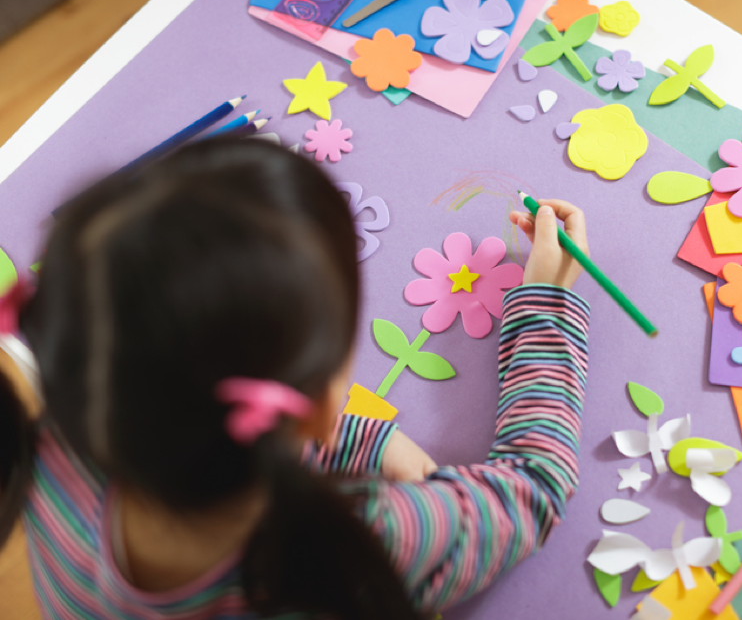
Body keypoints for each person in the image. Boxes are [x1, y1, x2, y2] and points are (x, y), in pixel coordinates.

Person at [0, 138, 590, 619]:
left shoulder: (53, 447)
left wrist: (370, 439)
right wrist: (547, 302)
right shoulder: (356, 549)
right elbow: (533, 486)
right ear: (305, 408)